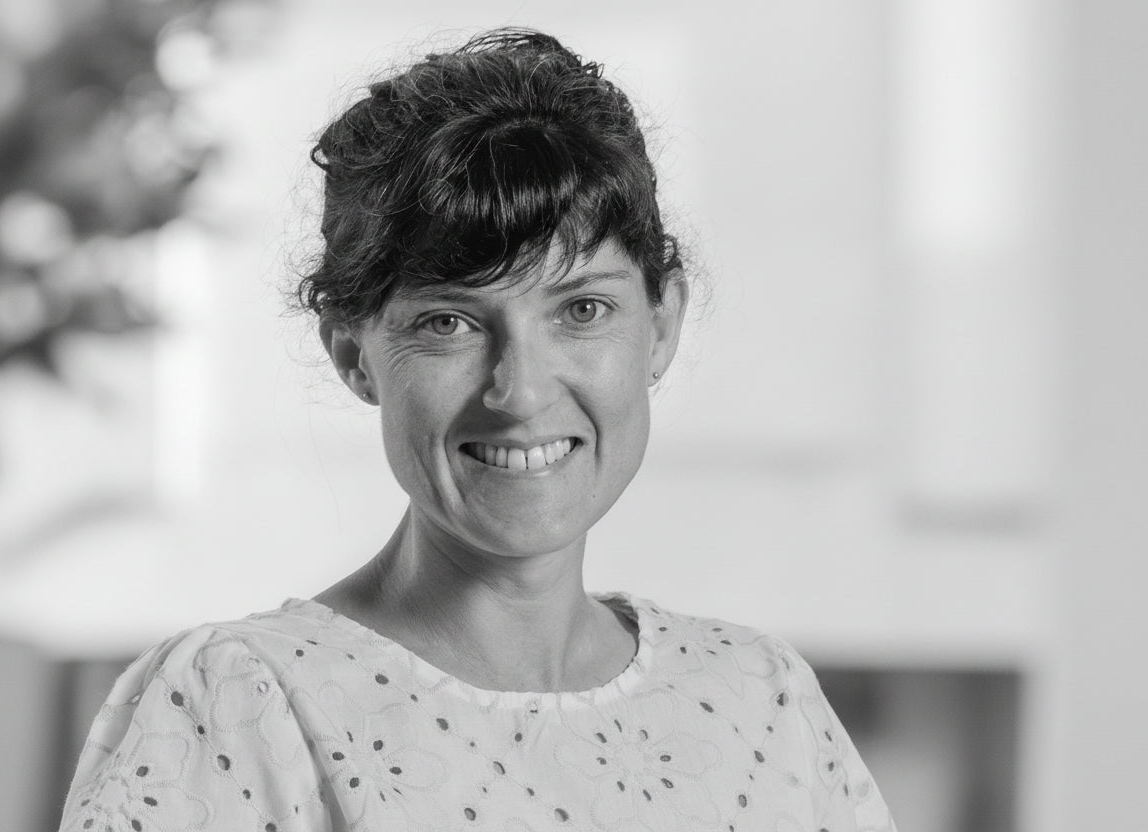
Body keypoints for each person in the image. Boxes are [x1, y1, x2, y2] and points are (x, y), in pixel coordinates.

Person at [58, 29, 897, 832]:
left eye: (583, 309)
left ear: (662, 325)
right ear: (355, 352)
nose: (521, 390)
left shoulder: (763, 703)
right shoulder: (239, 705)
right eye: (450, 323)